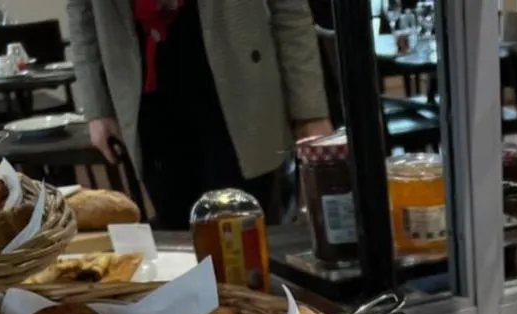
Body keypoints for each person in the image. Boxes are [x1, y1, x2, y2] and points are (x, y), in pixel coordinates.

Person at [66, 0, 333, 229]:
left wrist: (309, 113)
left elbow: (290, 12)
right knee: (180, 241)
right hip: (146, 97)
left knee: (247, 239)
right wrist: (97, 108)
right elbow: (82, 12)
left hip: (240, 91)